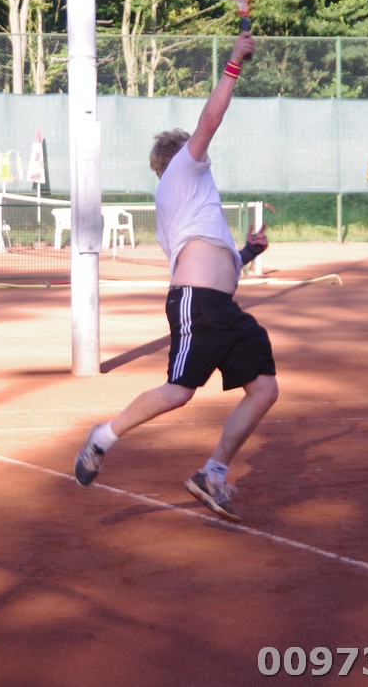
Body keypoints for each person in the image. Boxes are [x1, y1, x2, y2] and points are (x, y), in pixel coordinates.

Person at [73, 32, 279, 522]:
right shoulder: (184, 171)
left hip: (222, 308)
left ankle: (213, 472)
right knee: (179, 391)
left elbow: (216, 259)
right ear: (181, 155)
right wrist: (234, 61)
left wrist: (248, 251)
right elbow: (210, 119)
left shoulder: (191, 201)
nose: (203, 152)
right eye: (195, 148)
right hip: (198, 305)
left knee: (265, 388)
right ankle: (103, 436)